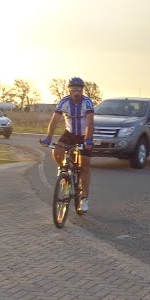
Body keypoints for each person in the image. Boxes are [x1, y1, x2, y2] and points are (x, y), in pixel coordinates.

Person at [40, 77, 95, 212]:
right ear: (69, 90)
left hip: (84, 135)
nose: (77, 92)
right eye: (74, 89)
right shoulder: (64, 102)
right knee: (56, 150)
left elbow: (90, 123)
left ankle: (84, 198)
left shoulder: (87, 102)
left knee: (85, 166)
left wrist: (88, 140)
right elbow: (54, 121)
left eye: (79, 89)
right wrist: (48, 137)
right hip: (70, 133)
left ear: (82, 90)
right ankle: (64, 170)